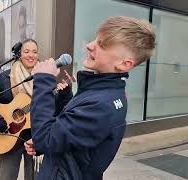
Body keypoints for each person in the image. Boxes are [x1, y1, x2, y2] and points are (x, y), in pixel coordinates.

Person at [24, 16, 156, 180]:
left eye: (101, 44)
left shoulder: (102, 103)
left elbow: (47, 138)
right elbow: (77, 139)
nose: (89, 45)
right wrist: (46, 143)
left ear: (124, 64)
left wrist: (43, 80)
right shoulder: (99, 91)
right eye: (95, 39)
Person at [0, 39, 72, 180]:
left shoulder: (47, 77)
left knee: (37, 176)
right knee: (5, 176)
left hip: (37, 138)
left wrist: (64, 95)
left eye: (34, 52)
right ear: (19, 54)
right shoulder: (6, 77)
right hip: (9, 134)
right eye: (26, 51)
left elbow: (56, 110)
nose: (31, 55)